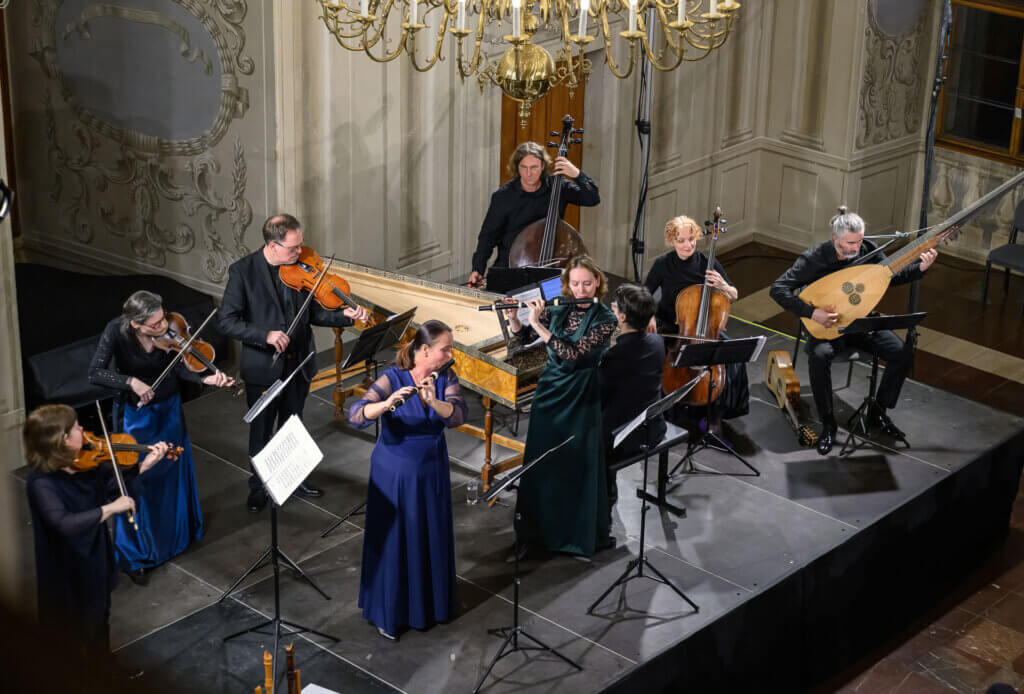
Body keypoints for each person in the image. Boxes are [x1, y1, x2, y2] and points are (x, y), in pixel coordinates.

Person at [219, 213, 369, 512]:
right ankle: (259, 486)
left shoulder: (300, 268)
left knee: (293, 425)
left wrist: (344, 315)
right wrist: (264, 335)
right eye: (293, 247)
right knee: (262, 431)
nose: (300, 252)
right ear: (272, 245)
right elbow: (227, 321)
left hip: (299, 361)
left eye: (301, 245)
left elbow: (314, 313)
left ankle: (294, 479)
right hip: (264, 367)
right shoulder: (243, 272)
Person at [769, 206, 937, 455]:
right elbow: (778, 289)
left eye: (859, 240)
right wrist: (812, 313)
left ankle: (878, 412)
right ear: (835, 239)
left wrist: (920, 268)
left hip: (860, 322)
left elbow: (890, 277)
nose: (856, 247)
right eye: (850, 243)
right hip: (825, 325)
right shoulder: (814, 258)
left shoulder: (868, 249)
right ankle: (828, 423)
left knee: (901, 353)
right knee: (819, 356)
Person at [89, 290, 231, 578]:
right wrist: (130, 382)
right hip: (137, 418)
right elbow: (95, 373)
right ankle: (138, 552)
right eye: (154, 325)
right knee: (140, 477)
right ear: (136, 324)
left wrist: (205, 378)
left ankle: (176, 537)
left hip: (169, 410)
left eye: (163, 318)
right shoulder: (116, 331)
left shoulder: (170, 327)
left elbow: (178, 368)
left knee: (171, 471)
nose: (163, 326)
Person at [348, 320, 466, 641]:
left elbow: (457, 415)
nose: (450, 355)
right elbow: (356, 414)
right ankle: (390, 612)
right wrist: (385, 404)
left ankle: (429, 607)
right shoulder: (392, 377)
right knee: (395, 541)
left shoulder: (446, 377)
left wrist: (432, 401)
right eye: (445, 350)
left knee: (428, 534)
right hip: (394, 472)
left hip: (431, 469)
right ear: (425, 350)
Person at [23, 404, 167, 656]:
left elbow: (113, 487)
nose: (83, 429)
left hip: (94, 551)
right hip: (66, 564)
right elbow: (64, 524)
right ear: (62, 440)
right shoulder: (41, 483)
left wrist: (145, 465)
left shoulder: (85, 464)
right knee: (70, 631)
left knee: (100, 618)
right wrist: (110, 509)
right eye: (75, 428)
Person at [504, 255, 617, 560]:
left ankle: (574, 537)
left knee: (575, 464)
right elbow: (525, 337)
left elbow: (572, 354)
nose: (581, 290)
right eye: (575, 284)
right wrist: (516, 319)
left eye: (587, 284)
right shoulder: (558, 305)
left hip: (581, 394)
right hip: (550, 392)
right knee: (541, 463)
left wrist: (538, 324)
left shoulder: (606, 319)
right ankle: (532, 534)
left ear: (597, 282)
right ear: (567, 283)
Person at [644, 215, 749, 419]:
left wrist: (723, 286)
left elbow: (734, 295)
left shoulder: (707, 263)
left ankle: (718, 412)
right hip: (672, 327)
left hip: (704, 328)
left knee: (734, 357)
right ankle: (665, 409)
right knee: (656, 354)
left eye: (691, 239)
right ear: (671, 241)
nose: (688, 245)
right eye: (681, 240)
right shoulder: (663, 264)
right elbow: (645, 293)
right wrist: (649, 317)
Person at [468, 142, 600, 286]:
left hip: (552, 270)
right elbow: (488, 237)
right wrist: (477, 268)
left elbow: (592, 198)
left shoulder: (557, 186)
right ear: (517, 167)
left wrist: (577, 174)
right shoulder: (503, 196)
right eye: (523, 167)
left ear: (543, 166)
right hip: (511, 270)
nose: (529, 173)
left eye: (534, 167)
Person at [600, 283, 666, 508]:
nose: (612, 307)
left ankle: (605, 494)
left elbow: (598, 396)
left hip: (624, 439)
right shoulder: (658, 342)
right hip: (653, 428)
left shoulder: (615, 356)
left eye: (615, 307)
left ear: (622, 317)